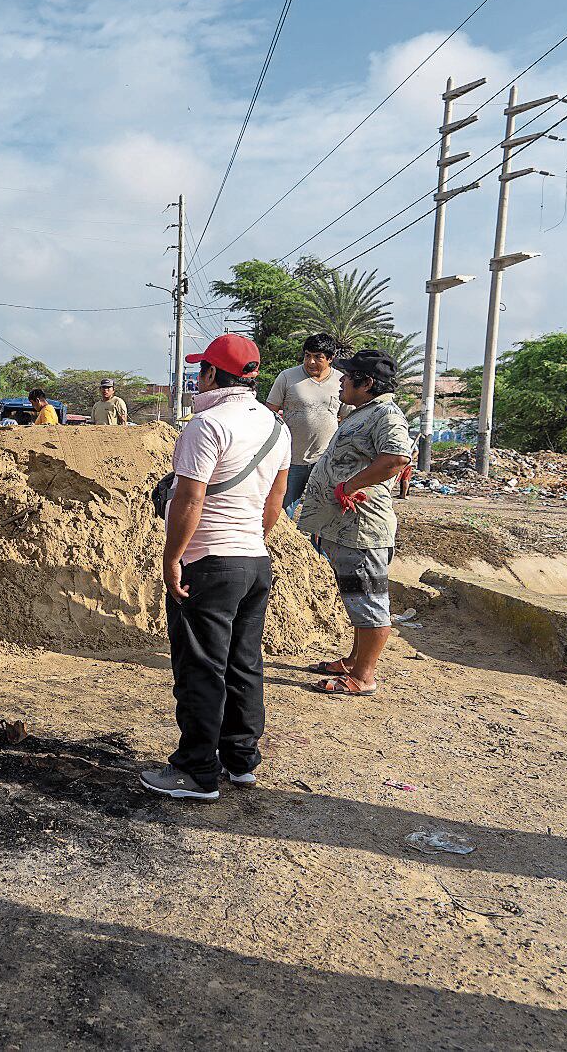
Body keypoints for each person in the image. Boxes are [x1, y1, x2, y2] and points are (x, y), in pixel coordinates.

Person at [140, 334, 290, 802]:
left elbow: (190, 497)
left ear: (210, 374)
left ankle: (196, 771)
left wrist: (172, 558)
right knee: (244, 663)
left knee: (201, 668)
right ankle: (240, 760)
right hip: (254, 561)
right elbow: (275, 500)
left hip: (207, 561)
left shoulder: (206, 425)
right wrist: (250, 542)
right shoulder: (276, 428)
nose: (196, 377)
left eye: (200, 369)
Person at [295, 349, 413, 696]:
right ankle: (353, 661)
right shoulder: (366, 412)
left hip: (362, 528)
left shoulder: (386, 415)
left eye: (347, 376)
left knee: (369, 602)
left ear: (367, 383)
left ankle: (363, 677)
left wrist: (350, 485)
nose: (341, 381)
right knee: (357, 597)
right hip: (345, 526)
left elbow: (397, 458)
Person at [266, 333, 349, 514]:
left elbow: (347, 420)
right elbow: (270, 413)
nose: (311, 362)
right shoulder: (287, 377)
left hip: (326, 460)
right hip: (291, 459)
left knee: (324, 510)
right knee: (283, 509)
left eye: (318, 357)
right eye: (307, 356)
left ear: (330, 358)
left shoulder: (342, 381)